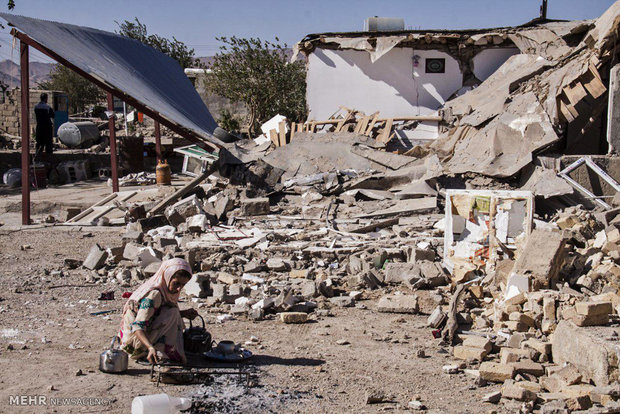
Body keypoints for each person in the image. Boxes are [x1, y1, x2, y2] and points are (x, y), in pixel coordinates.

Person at [119, 258, 198, 364]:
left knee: (173, 312)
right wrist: (150, 348)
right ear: (167, 277)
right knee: (173, 313)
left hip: (145, 334)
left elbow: (158, 313)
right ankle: (157, 352)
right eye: (176, 283)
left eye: (182, 285)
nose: (179, 289)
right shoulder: (155, 294)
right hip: (134, 342)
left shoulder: (167, 292)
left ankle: (164, 351)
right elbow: (138, 327)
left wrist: (184, 314)